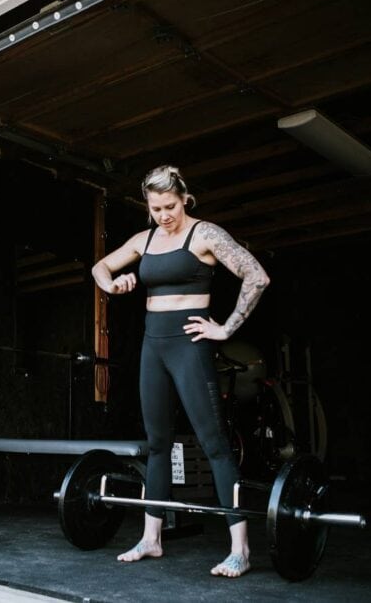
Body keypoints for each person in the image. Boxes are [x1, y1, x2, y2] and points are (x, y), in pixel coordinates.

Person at [91, 165, 270, 578]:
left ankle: (240, 549)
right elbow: (101, 267)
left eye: (169, 206)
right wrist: (111, 286)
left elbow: (256, 276)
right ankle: (152, 539)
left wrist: (225, 328)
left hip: (190, 347)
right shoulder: (145, 239)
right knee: (157, 444)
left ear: (184, 199)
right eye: (155, 208)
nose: (163, 215)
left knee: (215, 445)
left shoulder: (205, 234)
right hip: (153, 347)